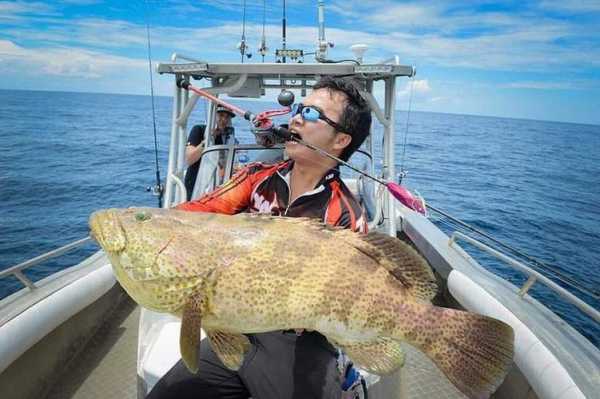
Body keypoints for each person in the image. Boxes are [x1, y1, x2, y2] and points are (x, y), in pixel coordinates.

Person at [147, 76, 372, 399]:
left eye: (311, 114)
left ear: (340, 141)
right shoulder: (255, 177)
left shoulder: (346, 215)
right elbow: (193, 213)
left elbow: (348, 295)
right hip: (236, 323)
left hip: (299, 343)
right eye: (299, 109)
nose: (295, 117)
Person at [184, 105, 236, 200]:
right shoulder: (199, 130)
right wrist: (207, 139)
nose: (224, 119)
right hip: (195, 183)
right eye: (220, 115)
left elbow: (223, 163)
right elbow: (189, 159)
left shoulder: (227, 137)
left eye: (227, 117)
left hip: (215, 187)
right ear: (213, 115)